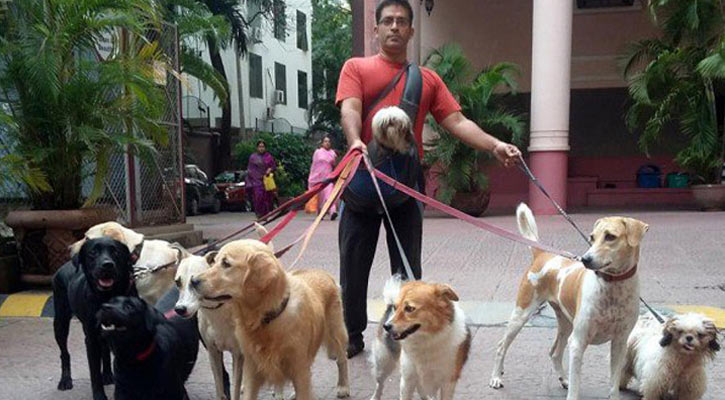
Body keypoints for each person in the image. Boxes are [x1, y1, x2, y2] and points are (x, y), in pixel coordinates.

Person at [335, 0, 522, 358]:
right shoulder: (355, 68)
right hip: (362, 183)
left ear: (411, 30)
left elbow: (457, 121)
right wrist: (355, 140)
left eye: (401, 21)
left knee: (408, 269)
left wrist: (495, 145)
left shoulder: (427, 80)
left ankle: (404, 332)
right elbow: (350, 108)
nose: (394, 27)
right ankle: (352, 334)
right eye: (387, 21)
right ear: (375, 29)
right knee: (353, 267)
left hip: (406, 188)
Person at [308, 136, 339, 220]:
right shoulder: (318, 152)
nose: (327, 143)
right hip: (318, 178)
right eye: (325, 141)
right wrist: (312, 177)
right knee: (320, 197)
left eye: (329, 141)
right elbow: (314, 165)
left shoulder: (332, 153)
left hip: (328, 178)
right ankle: (320, 213)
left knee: (330, 195)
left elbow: (334, 165)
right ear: (322, 143)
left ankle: (333, 212)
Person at [245, 140, 277, 218]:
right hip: (256, 181)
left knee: (267, 197)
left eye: (263, 147)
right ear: (257, 148)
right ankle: (259, 214)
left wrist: (269, 169)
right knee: (258, 197)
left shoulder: (268, 157)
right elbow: (250, 169)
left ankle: (266, 214)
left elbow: (273, 166)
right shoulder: (253, 157)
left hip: (266, 180)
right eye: (260, 147)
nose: (261, 148)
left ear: (265, 148)